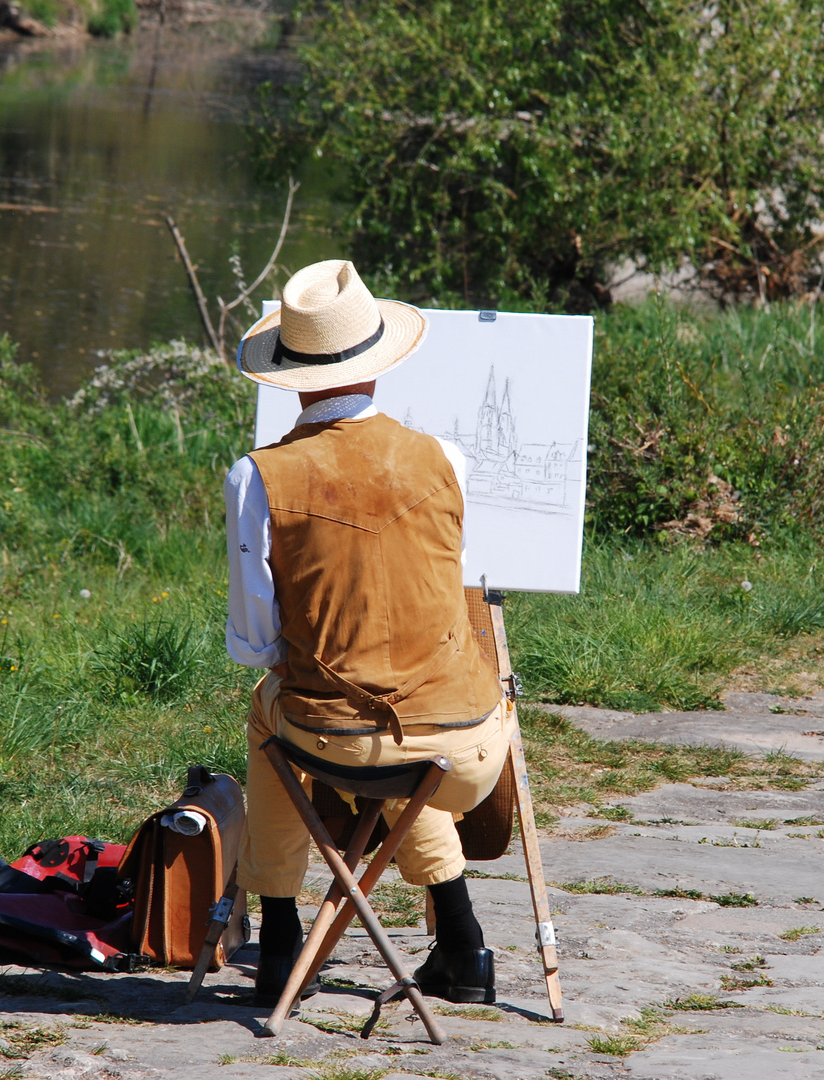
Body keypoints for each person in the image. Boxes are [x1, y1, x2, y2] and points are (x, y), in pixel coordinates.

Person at [223, 259, 513, 1008]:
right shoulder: (444, 457)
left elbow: (255, 640)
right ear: (378, 362)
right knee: (397, 744)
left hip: (341, 742)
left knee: (270, 705)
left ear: (288, 372)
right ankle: (462, 944)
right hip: (467, 746)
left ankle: (282, 938)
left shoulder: (258, 476)